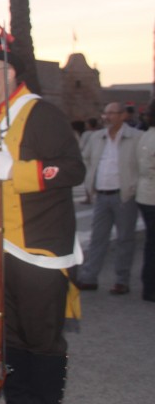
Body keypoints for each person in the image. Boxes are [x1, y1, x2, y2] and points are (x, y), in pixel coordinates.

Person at [0, 33, 85, 404]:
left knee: (41, 338)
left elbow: (72, 168)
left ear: (10, 72)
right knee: (10, 337)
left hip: (37, 249)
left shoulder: (40, 114)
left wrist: (21, 171)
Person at [78, 101, 140, 294]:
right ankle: (89, 277)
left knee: (124, 239)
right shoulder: (98, 137)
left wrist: (132, 184)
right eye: (105, 113)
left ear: (123, 116)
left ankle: (121, 280)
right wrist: (91, 180)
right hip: (102, 195)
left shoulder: (136, 138)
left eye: (112, 113)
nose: (107, 117)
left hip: (124, 195)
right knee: (98, 238)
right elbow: (85, 157)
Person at [136, 99, 155, 302]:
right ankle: (150, 286)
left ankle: (148, 285)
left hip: (144, 194)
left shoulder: (143, 136)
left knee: (151, 243)